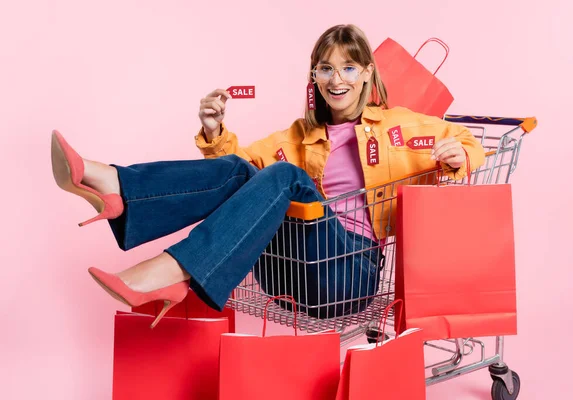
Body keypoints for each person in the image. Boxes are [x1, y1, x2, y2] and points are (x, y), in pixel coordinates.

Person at [51, 24, 485, 328]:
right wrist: (214, 131)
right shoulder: (299, 136)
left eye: (349, 68)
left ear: (368, 73)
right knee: (248, 169)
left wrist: (454, 156)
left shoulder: (401, 125)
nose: (337, 80)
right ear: (314, 77)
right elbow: (234, 171)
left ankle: (166, 264)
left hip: (350, 275)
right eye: (326, 69)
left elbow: (469, 143)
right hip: (289, 273)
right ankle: (120, 187)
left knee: (283, 177)